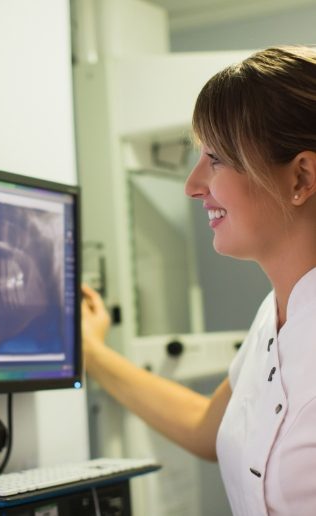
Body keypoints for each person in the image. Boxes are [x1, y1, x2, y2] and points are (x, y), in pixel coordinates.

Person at [81, 45, 316, 516]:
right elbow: (205, 428)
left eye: (216, 159)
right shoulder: (273, 316)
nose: (191, 184)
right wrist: (92, 353)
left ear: (301, 177)